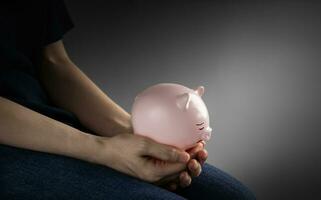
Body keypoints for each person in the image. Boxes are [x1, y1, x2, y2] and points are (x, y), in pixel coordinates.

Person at [0, 0, 256, 199]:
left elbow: (53, 61)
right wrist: (101, 150)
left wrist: (137, 136)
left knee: (234, 196)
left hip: (49, 119)